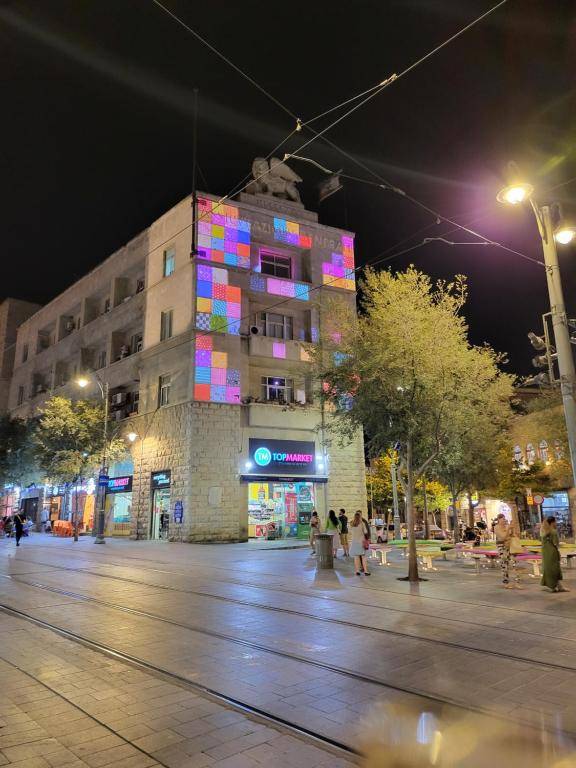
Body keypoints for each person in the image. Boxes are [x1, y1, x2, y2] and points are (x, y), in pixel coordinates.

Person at [541, 516, 568, 592]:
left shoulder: (543, 531)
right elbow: (556, 543)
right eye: (555, 521)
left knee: (548, 568)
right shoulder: (553, 531)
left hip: (545, 552)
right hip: (552, 552)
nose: (556, 523)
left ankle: (557, 586)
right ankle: (554, 586)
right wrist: (560, 545)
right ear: (552, 522)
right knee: (555, 569)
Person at [493, 513, 520, 588]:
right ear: (499, 519)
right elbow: (503, 537)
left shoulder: (507, 526)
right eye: (502, 519)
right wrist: (508, 529)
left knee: (514, 563)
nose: (504, 520)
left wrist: (512, 529)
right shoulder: (496, 527)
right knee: (504, 565)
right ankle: (506, 582)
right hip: (502, 547)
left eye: (504, 519)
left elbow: (514, 535)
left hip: (510, 546)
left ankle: (517, 582)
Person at [350, 510, 371, 576]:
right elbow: (365, 532)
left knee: (356, 557)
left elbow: (350, 532)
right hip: (361, 542)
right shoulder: (362, 523)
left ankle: (357, 571)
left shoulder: (352, 524)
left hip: (354, 542)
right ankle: (366, 571)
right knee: (363, 557)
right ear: (360, 517)